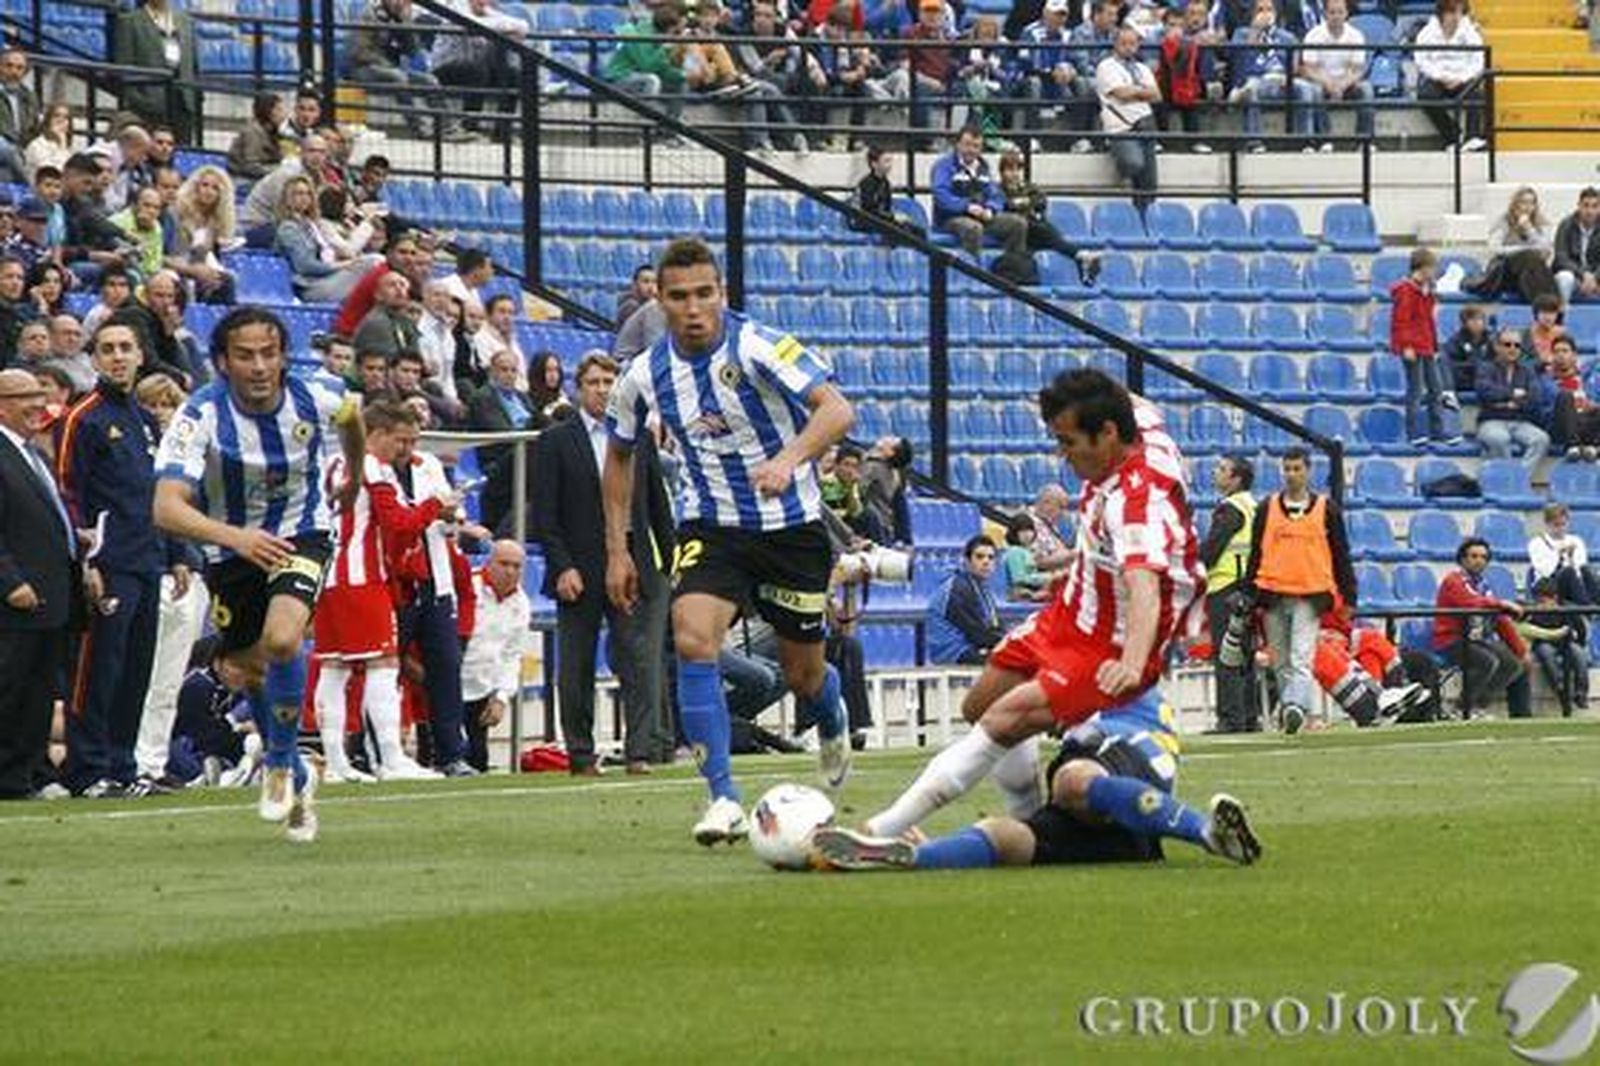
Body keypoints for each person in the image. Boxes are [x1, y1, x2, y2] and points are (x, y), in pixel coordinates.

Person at [824, 369, 1260, 869]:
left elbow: (1145, 587)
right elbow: (1129, 399)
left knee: (1004, 720)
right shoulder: (1140, 427)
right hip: (1073, 612)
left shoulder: (1135, 503)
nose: (1062, 455)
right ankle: (1031, 815)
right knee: (980, 705)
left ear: (1108, 435)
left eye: (1069, 442)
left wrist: (1133, 661)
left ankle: (880, 830)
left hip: (1109, 643)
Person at [602, 238, 856, 844]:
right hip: (711, 527)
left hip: (791, 530)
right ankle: (723, 798)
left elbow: (837, 410)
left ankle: (832, 712)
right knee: (692, 640)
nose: (693, 308)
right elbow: (617, 458)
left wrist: (789, 459)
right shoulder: (643, 375)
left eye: (704, 294)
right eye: (679, 297)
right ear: (658, 300)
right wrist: (618, 549)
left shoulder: (760, 345)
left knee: (804, 677)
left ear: (722, 294)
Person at [153, 307, 367, 842]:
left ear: (283, 357)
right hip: (233, 552)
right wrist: (237, 538)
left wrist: (354, 478)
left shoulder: (317, 393)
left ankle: (274, 761)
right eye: (245, 356)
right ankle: (297, 771)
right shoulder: (199, 414)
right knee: (248, 671)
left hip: (303, 534)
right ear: (223, 362)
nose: (259, 366)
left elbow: (353, 419)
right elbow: (166, 508)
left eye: (269, 354)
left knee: (282, 640)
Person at [812, 685, 1260, 872]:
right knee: (1004, 836)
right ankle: (912, 856)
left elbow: (998, 707)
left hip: (1134, 751)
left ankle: (1205, 831)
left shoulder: (1125, 673)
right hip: (1128, 837)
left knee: (1072, 781)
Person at [54, 314, 190, 796]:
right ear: (94, 358)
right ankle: (87, 770)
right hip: (107, 565)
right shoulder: (81, 417)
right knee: (97, 669)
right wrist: (84, 561)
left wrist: (176, 552)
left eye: (124, 348)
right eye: (107, 348)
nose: (116, 356)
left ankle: (122, 766)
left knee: (135, 670)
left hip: (146, 560)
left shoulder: (143, 418)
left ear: (139, 355)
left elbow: (157, 492)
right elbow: (66, 493)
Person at [534, 353, 674, 775]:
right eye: (593, 381)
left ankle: (639, 751)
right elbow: (545, 515)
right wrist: (562, 567)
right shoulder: (556, 439)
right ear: (579, 387)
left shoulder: (640, 440)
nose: (601, 389)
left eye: (609, 381)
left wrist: (670, 563)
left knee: (640, 660)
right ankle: (580, 752)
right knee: (575, 664)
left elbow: (657, 507)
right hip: (581, 565)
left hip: (635, 562)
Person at [313, 399, 453, 782]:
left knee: (335, 667)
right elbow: (399, 523)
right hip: (362, 578)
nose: (404, 451)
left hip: (328, 578)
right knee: (383, 664)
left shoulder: (331, 462)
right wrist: (434, 505)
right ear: (374, 435)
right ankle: (392, 759)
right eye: (400, 440)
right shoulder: (373, 467)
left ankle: (335, 761)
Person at [0, 369, 78, 799]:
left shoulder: (34, 455)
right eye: (25, 396)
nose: (38, 403)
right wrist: (9, 581)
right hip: (16, 599)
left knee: (37, 691)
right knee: (10, 688)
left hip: (50, 595)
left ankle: (22, 775)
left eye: (40, 394)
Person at [1242, 446, 1358, 735]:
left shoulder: (1326, 509)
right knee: (1280, 661)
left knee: (1301, 657)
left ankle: (1295, 708)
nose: (1292, 474)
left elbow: (1340, 553)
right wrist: (1248, 590)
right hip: (1271, 592)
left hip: (1311, 593)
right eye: (1287, 469)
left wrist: (1349, 594)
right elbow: (1255, 552)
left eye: (1297, 468)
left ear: (1308, 471)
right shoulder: (1267, 508)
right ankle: (1294, 713)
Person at [129, 372, 206, 786]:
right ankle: (133, 761)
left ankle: (153, 761)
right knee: (143, 671)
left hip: (190, 569)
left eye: (168, 404)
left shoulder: (194, 459)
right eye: (152, 404)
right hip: (151, 568)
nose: (161, 412)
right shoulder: (138, 456)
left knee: (170, 676)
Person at [1432, 537, 1531, 719]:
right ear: (1462, 559)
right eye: (1474, 556)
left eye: (1484, 557)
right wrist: (1502, 604)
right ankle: (1461, 708)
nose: (1479, 560)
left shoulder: (1483, 586)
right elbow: (1470, 603)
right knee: (1487, 660)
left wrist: (1521, 650)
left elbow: (1499, 619)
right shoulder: (1452, 581)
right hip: (1450, 641)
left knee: (1513, 664)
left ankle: (1478, 706)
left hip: (1476, 640)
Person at [346, 0, 472, 142]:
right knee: (397, 76)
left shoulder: (402, 15)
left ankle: (447, 127)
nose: (399, 2)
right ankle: (420, 129)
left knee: (429, 80)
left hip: (393, 70)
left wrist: (406, 24)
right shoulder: (369, 15)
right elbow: (358, 52)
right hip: (364, 69)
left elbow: (412, 51)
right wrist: (386, 65)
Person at [1197, 453, 1259, 733]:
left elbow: (1211, 550)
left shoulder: (1230, 508)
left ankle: (1230, 719)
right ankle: (1248, 717)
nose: (1215, 472)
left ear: (1236, 479)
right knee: (1244, 654)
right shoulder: (1252, 506)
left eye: (1222, 469)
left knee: (1226, 654)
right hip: (1246, 589)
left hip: (1225, 588)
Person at [460, 539, 534, 772]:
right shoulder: (467, 587)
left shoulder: (521, 604)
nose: (510, 571)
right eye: (504, 564)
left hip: (481, 690)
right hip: (449, 685)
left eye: (517, 566)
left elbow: (512, 655)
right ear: (489, 562)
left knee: (477, 760)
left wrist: (501, 697)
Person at [997, 148, 1099, 284]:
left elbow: (1040, 201)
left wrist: (1022, 203)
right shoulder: (997, 189)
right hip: (1015, 231)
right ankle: (1081, 257)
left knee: (1047, 231)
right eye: (1010, 170)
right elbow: (1005, 207)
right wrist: (1023, 203)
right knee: (1047, 233)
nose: (1014, 174)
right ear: (1002, 172)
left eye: (1017, 170)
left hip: (1033, 230)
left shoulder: (1027, 187)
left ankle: (1081, 260)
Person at [1390, 247, 1460, 447]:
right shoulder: (1405, 290)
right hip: (1413, 347)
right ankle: (1412, 432)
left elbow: (1428, 319)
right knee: (1415, 390)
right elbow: (1401, 321)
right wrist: (1406, 346)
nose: (1434, 272)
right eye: (1432, 268)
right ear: (1423, 267)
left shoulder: (1426, 290)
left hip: (1427, 345)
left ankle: (1438, 430)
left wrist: (1435, 345)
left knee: (1436, 388)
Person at [929, 125, 1029, 263]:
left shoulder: (983, 166)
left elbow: (995, 194)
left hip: (981, 216)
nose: (971, 150)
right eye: (967, 145)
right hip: (950, 219)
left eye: (976, 146)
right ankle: (973, 276)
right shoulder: (943, 166)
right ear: (958, 144)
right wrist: (966, 206)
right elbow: (940, 195)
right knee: (973, 229)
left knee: (1018, 224)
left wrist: (990, 209)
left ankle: (1012, 270)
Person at [1227, 0, 1312, 154]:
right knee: (1251, 88)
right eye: (1260, 10)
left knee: (1305, 88)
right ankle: (1254, 142)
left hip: (1281, 82)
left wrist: (1288, 77)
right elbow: (1237, 62)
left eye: (1269, 9)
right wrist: (1254, 32)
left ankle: (1305, 141)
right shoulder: (1241, 33)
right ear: (1253, 14)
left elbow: (1295, 66)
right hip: (1256, 81)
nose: (1265, 13)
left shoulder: (1287, 37)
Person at [113, 0, 199, 141]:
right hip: (147, 106)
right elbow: (124, 68)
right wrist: (139, 100)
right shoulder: (129, 22)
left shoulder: (185, 21)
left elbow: (194, 65)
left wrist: (194, 99)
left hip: (182, 102)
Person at [1095, 26, 1161, 212]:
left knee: (1149, 185)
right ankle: (1119, 163)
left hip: (1146, 124)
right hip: (1121, 126)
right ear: (1115, 44)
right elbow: (1121, 93)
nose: (1128, 48)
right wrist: (1142, 92)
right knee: (1133, 163)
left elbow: (1157, 95)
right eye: (1123, 43)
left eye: (1132, 43)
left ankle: (1143, 219)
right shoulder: (1106, 66)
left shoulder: (1142, 68)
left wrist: (1134, 91)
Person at [1467, 186, 1560, 306]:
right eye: (1524, 202)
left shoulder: (1540, 223)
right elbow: (1495, 249)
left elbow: (1546, 249)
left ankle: (1543, 308)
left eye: (1532, 203)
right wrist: (1523, 250)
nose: (1527, 207)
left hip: (1528, 274)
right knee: (1529, 257)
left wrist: (1529, 229)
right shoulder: (1503, 221)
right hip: (1504, 272)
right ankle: (1552, 307)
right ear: (1515, 204)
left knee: (1532, 267)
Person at [1298, 0, 1372, 150]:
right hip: (1322, 82)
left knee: (1366, 89)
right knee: (1315, 90)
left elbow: (1357, 69)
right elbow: (1309, 69)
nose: (1336, 16)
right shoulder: (1314, 35)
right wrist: (1329, 84)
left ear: (1346, 14)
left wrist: (1342, 85)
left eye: (1340, 12)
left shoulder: (1356, 35)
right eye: (1332, 12)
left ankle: (1363, 141)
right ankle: (1325, 140)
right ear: (1325, 14)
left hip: (1347, 83)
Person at [604, 0, 688, 128]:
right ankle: (646, 131)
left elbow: (662, 69)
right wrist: (666, 49)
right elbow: (646, 65)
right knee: (651, 80)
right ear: (669, 28)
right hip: (618, 79)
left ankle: (668, 132)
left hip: (641, 79)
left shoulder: (661, 38)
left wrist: (683, 75)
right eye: (675, 31)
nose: (676, 35)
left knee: (680, 84)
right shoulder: (639, 33)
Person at [1475, 327, 1551, 468]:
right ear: (1497, 347)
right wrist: (1514, 394)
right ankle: (1506, 479)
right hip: (1492, 420)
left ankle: (1519, 477)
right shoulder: (1486, 368)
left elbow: (1535, 398)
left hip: (1520, 421)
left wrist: (1506, 402)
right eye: (1507, 344)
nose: (1513, 349)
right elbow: (1485, 392)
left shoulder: (1527, 371)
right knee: (1500, 439)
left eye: (1517, 345)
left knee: (1542, 439)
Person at [1415, 0, 1485, 151]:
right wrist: (1440, 76)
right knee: (1425, 96)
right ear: (1442, 13)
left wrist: (1461, 78)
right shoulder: (1427, 32)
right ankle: (1453, 137)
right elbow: (1421, 60)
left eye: (1459, 12)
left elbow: (1478, 61)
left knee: (1477, 95)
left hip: (1462, 79)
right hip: (1438, 79)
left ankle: (1472, 137)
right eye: (1451, 12)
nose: (1456, 17)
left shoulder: (1470, 32)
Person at [926, 534, 1005, 664]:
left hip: (970, 647)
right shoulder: (959, 588)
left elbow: (993, 626)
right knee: (1012, 662)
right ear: (967, 561)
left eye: (991, 558)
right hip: (953, 652)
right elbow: (978, 634)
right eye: (979, 557)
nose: (986, 562)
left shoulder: (980, 587)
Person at [1526, 577, 1589, 718]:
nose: (1540, 604)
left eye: (1543, 600)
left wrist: (1579, 642)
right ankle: (1560, 689)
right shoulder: (1531, 611)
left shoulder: (1567, 608)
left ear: (1554, 597)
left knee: (1579, 653)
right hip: (1543, 643)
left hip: (1566, 642)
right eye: (1538, 600)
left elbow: (1581, 629)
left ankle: (1581, 692)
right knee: (1545, 652)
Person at [1529, 501, 1600, 605]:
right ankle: (1586, 606)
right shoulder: (1537, 543)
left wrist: (1571, 558)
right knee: (1568, 572)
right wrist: (1559, 555)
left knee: (1587, 570)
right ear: (1547, 524)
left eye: (1563, 524)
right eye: (1556, 525)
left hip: (1576, 585)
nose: (1561, 529)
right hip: (1550, 587)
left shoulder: (1576, 541)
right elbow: (1545, 571)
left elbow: (1580, 568)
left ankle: (1594, 604)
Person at [1553, 186, 1600, 307]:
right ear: (1579, 206)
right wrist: (1583, 274)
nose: (1590, 211)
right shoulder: (1566, 224)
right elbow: (1561, 257)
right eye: (1586, 205)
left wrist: (1594, 277)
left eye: (1595, 206)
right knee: (1565, 278)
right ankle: (1563, 312)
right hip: (1574, 276)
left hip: (1596, 277)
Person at [0, 49, 39, 185]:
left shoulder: (30, 97)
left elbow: (34, 131)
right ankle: (29, 187)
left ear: (25, 72)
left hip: (20, 151)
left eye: (19, 68)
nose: (14, 72)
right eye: (9, 66)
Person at [227, 93, 285, 181]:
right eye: (279, 110)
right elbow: (250, 167)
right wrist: (278, 170)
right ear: (268, 112)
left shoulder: (272, 131)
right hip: (242, 178)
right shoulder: (252, 132)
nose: (283, 114)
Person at [1000, 512, 1052, 601]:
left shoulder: (1026, 551)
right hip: (1020, 591)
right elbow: (1019, 578)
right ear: (1014, 532)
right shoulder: (1015, 551)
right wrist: (1048, 577)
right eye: (1022, 531)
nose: (1027, 534)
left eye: (1029, 530)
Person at [1442, 304, 1490, 394]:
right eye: (1472, 319)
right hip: (1465, 381)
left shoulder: (1492, 339)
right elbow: (1451, 365)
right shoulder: (1456, 341)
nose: (1477, 323)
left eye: (1480, 319)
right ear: (1464, 323)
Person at [24, 103, 72, 183]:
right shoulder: (36, 145)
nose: (61, 120)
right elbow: (54, 175)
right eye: (57, 116)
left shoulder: (67, 147)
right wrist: (62, 146)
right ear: (48, 120)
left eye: (66, 117)